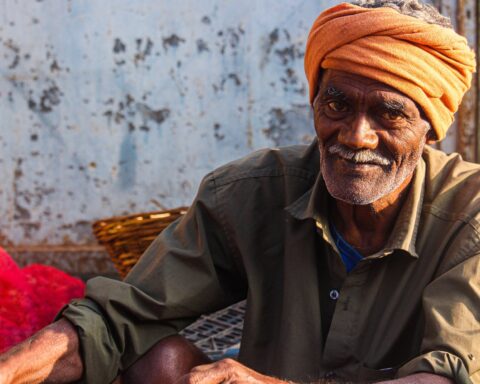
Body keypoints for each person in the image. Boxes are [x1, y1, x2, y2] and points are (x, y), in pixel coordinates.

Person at [0, 0, 479, 383]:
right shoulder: (251, 192)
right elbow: (115, 320)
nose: (356, 136)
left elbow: (447, 377)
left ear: (430, 127)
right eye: (337, 104)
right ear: (314, 102)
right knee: (157, 358)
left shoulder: (471, 215)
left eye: (389, 114)